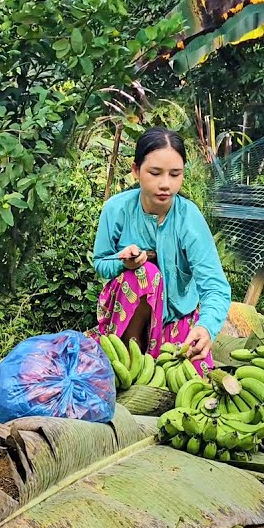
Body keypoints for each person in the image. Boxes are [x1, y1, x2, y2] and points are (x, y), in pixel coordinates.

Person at [91, 127, 231, 372]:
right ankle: (126, 359)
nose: (165, 184)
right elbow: (101, 263)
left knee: (198, 382)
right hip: (128, 316)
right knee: (146, 274)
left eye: (175, 174)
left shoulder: (188, 218)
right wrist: (123, 263)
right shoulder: (116, 209)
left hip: (176, 319)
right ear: (136, 171)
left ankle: (161, 352)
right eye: (155, 173)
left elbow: (215, 287)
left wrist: (205, 327)